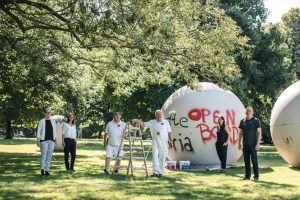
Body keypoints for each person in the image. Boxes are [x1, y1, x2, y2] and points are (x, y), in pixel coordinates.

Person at [133, 110, 173, 177]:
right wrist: (137, 120)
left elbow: (169, 132)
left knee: (162, 156)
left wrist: (171, 141)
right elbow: (143, 124)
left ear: (162, 115)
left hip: (164, 142)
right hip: (155, 141)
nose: (159, 116)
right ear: (155, 115)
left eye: (160, 114)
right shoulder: (152, 122)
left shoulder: (166, 122)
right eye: (157, 115)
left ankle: (161, 172)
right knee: (155, 156)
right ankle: (155, 172)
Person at [238, 107, 262, 182]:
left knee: (254, 161)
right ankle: (247, 176)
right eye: (247, 111)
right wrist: (239, 142)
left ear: (252, 112)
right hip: (245, 145)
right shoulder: (242, 121)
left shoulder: (256, 120)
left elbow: (259, 133)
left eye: (249, 111)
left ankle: (256, 176)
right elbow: (240, 133)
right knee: (246, 161)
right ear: (245, 112)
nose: (248, 112)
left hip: (253, 145)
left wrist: (258, 144)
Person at [37, 107, 57, 176]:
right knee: (43, 156)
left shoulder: (53, 121)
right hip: (43, 140)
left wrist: (55, 140)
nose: (48, 113)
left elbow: (55, 131)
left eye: (50, 112)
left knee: (49, 156)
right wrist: (38, 140)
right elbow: (39, 131)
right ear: (44, 113)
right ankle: (42, 169)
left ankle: (47, 170)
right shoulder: (41, 121)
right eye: (47, 112)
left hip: (52, 140)